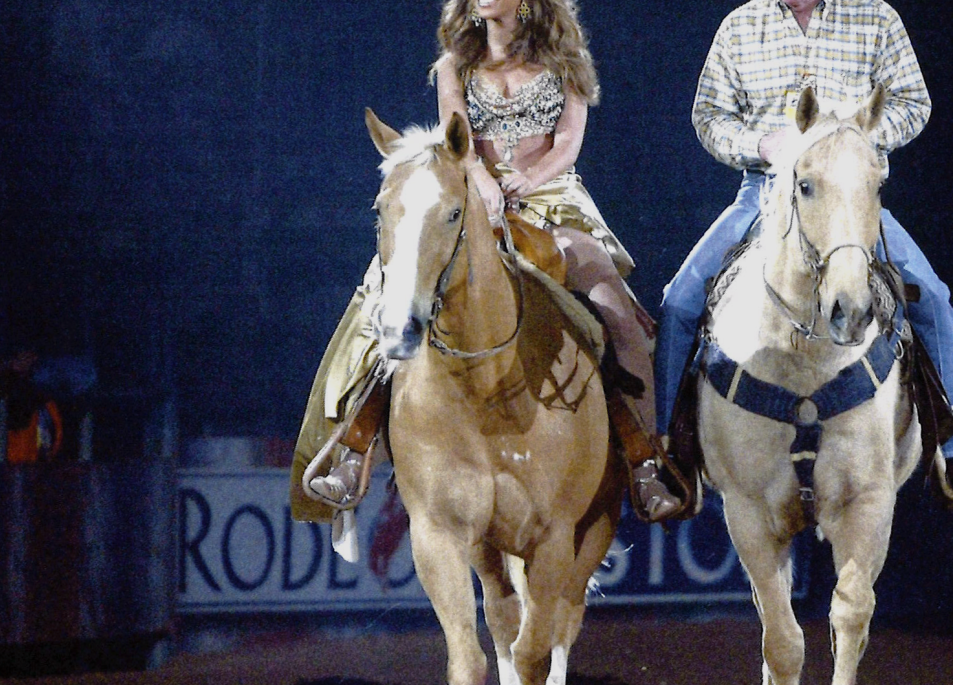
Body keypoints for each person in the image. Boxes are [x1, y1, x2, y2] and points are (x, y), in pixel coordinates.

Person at [291, 0, 690, 523]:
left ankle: (644, 460)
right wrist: (483, 184)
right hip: (471, 204)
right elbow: (458, 141)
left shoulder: (566, 61)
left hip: (553, 200)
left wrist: (532, 176)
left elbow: (569, 142)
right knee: (389, 291)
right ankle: (356, 445)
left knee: (618, 311)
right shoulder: (454, 65)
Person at [655, 0, 953, 498]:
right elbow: (709, 117)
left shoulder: (876, 17)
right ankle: (672, 457)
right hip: (767, 190)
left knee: (933, 297)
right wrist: (760, 145)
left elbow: (913, 102)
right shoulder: (741, 25)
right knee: (680, 301)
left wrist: (854, 139)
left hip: (849, 195)